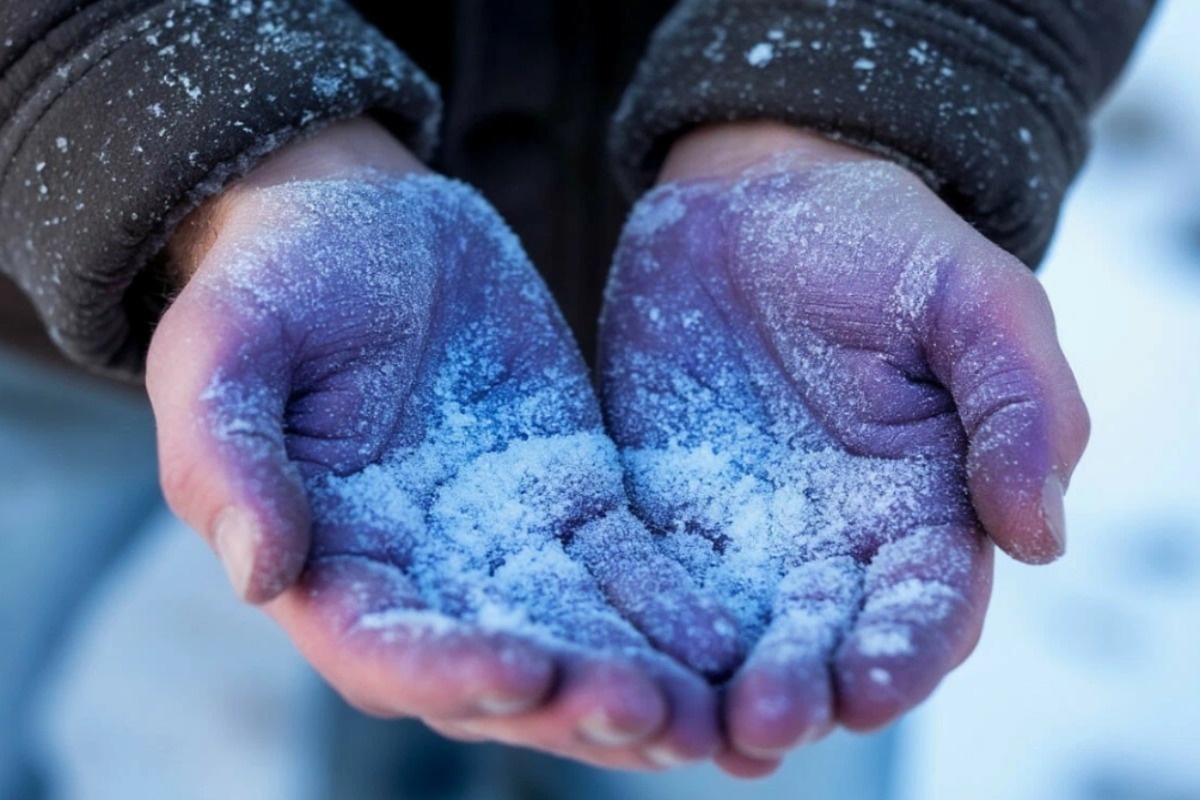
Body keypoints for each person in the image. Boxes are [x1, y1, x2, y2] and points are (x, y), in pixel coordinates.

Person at [0, 0, 1158, 785]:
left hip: (763, 325)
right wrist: (115, 69)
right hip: (77, 253)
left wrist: (872, 69)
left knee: (728, 720)